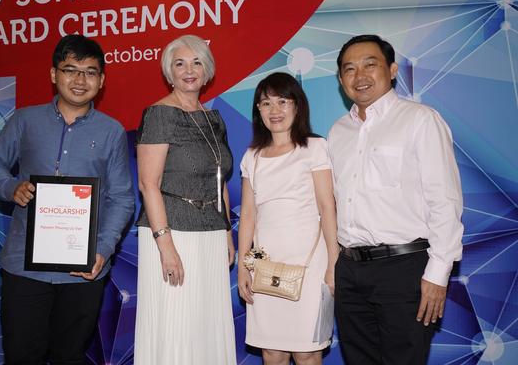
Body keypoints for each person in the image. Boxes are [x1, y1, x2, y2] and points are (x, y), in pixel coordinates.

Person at [0, 34, 134, 364]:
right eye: (70, 69)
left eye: (90, 72)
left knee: (70, 356)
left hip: (84, 269)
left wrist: (102, 250)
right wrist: (11, 188)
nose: (80, 80)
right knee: (22, 356)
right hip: (24, 267)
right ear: (54, 75)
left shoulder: (112, 131)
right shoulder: (24, 120)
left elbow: (121, 198)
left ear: (101, 80)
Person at [328, 34, 464, 365]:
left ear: (391, 70)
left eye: (369, 65)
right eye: (349, 69)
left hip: (405, 270)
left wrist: (437, 273)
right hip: (350, 271)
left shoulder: (420, 120)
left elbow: (444, 201)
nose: (359, 76)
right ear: (341, 79)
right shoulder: (337, 132)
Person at [133, 34, 236, 365]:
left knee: (206, 326)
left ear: (207, 69)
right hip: (172, 234)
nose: (189, 70)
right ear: (169, 72)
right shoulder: (159, 114)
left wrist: (227, 232)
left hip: (210, 235)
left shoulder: (213, 119)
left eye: (196, 62)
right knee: (176, 327)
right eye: (179, 63)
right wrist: (166, 246)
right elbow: (149, 184)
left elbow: (219, 177)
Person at [237, 72, 339, 365]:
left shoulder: (314, 147)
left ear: (297, 106)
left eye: (283, 101)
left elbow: (327, 206)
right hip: (265, 263)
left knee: (307, 352)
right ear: (258, 110)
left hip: (309, 262)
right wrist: (244, 268)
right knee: (272, 352)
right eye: (266, 103)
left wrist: (333, 262)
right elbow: (247, 216)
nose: (275, 110)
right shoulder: (252, 156)